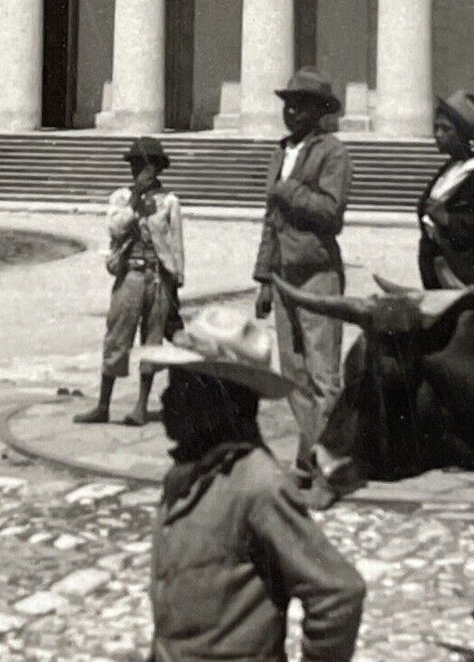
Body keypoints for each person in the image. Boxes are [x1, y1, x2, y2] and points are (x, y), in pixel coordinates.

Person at [138, 307, 366, 661]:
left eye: (183, 388)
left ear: (221, 403)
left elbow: (338, 591)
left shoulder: (257, 484)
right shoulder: (187, 474)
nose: (166, 400)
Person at [253, 68, 351, 480]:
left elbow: (332, 213)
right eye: (288, 104)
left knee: (324, 373)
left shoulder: (332, 153)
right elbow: (271, 219)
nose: (292, 111)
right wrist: (263, 278)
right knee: (292, 374)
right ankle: (311, 453)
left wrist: (288, 189)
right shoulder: (282, 152)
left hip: (317, 273)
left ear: (318, 111)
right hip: (283, 275)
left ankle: (326, 462)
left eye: (302, 104)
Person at [75, 136, 184, 427]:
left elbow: (176, 246)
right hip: (130, 275)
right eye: (136, 165)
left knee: (152, 341)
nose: (139, 171)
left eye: (146, 165)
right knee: (116, 338)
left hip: (158, 278)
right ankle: (102, 405)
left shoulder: (170, 201)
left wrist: (176, 281)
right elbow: (115, 227)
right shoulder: (121, 198)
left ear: (158, 168)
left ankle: (140, 406)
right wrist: (135, 200)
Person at [417, 90, 474, 288]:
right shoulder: (449, 170)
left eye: (445, 129)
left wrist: (449, 219)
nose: (437, 134)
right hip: (441, 277)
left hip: (467, 280)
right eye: (436, 127)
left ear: (462, 134)